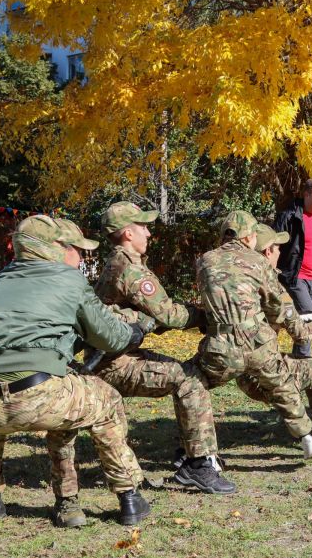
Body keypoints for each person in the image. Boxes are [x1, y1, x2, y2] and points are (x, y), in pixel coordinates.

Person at [0, 215, 151, 528]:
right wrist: (136, 332)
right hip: (36, 394)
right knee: (106, 401)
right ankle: (129, 497)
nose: (81, 257)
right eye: (77, 249)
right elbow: (111, 337)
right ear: (56, 248)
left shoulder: (1, 279)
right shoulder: (69, 279)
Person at [195, 211, 312, 459]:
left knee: (307, 367)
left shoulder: (211, 264)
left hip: (235, 368)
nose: (281, 253)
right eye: (277, 248)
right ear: (266, 251)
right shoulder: (266, 275)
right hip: (266, 372)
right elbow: (301, 335)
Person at [87, 204, 235, 494]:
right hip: (114, 363)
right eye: (143, 227)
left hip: (116, 355)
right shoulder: (130, 270)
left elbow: (150, 318)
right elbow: (168, 314)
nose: (149, 232)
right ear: (128, 233)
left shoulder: (120, 262)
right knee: (190, 379)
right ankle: (197, 465)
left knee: (187, 375)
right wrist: (205, 315)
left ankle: (189, 452)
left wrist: (148, 320)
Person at [274, 179, 312, 358]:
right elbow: (273, 245)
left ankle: (300, 362)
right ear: (306, 195)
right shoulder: (289, 216)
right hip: (295, 277)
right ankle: (304, 363)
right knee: (309, 320)